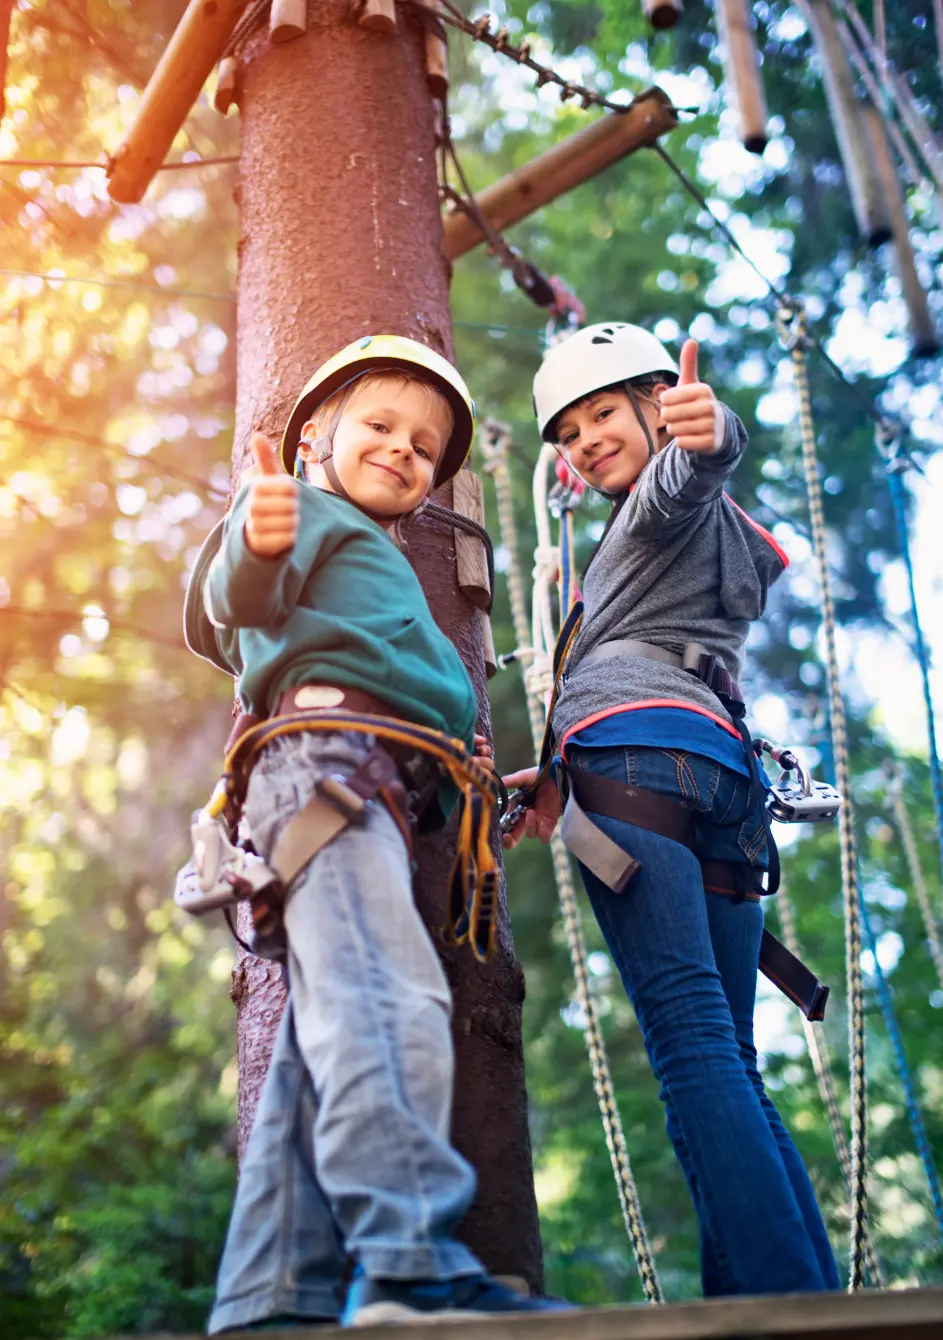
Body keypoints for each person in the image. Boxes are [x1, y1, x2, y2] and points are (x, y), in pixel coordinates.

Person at [183, 336, 568, 1329]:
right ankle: (409, 1266)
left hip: (367, 783)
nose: (404, 449)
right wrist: (257, 536)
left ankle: (270, 1295)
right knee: (385, 997)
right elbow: (233, 605)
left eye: (426, 445)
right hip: (325, 771)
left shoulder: (371, 563)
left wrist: (485, 789)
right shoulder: (299, 513)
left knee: (332, 1029)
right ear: (315, 433)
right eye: (381, 426)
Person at [503, 321, 840, 1296]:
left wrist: (706, 429)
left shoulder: (661, 507)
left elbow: (692, 464)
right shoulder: (678, 542)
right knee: (731, 1054)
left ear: (657, 398)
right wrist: (556, 785)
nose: (583, 440)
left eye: (602, 412)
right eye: (566, 432)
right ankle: (798, 1294)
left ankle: (782, 1308)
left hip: (636, 765)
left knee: (694, 1039)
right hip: (716, 781)